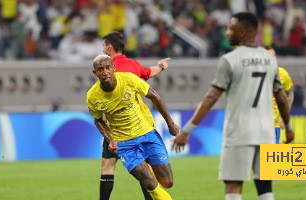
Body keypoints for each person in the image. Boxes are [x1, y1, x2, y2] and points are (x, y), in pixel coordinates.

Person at [172, 12, 294, 200]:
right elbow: (282, 98)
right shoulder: (270, 61)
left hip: (240, 131)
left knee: (234, 184)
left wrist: (187, 130)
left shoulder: (230, 60)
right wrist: (289, 127)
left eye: (231, 28)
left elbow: (211, 97)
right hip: (266, 131)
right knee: (265, 185)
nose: (227, 32)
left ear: (244, 32)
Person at [88, 55, 178, 200]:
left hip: (147, 134)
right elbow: (98, 120)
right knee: (149, 183)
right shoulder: (92, 96)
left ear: (113, 68)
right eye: (100, 69)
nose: (105, 72)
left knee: (168, 182)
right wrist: (110, 139)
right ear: (95, 73)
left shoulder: (129, 79)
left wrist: (170, 124)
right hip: (124, 144)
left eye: (107, 68)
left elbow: (154, 96)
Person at [100, 31, 170, 200]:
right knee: (144, 168)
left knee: (107, 167)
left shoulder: (106, 69)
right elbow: (150, 73)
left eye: (103, 45)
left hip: (114, 127)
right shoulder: (133, 65)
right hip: (137, 125)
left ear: (109, 47)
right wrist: (161, 66)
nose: (102, 49)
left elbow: (102, 98)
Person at [265, 46, 295, 144]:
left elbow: (290, 94)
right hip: (255, 125)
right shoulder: (252, 74)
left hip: (274, 125)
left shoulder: (282, 74)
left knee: (268, 158)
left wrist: (285, 115)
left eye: (272, 57)